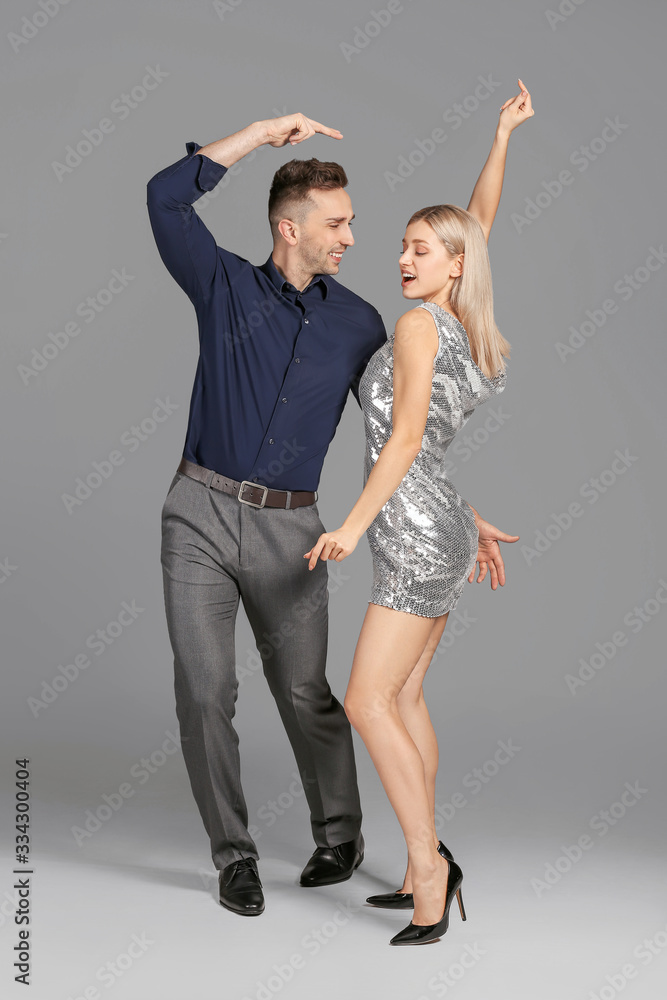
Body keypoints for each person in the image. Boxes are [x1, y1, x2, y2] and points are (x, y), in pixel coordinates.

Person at [146, 86, 530, 918]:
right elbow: (162, 196)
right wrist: (252, 134)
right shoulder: (222, 287)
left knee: (308, 692)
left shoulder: (362, 325)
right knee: (204, 691)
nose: (355, 237)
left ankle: (340, 834)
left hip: (294, 527)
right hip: (199, 516)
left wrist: (458, 513)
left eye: (359, 225)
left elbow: (408, 430)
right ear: (291, 227)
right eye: (338, 224)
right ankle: (234, 856)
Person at [304, 88, 534, 945]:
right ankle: (418, 863)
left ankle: (430, 869)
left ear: (450, 267)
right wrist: (501, 137)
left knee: (367, 701)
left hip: (408, 524)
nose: (402, 259)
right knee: (401, 696)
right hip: (445, 521)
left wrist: (356, 525)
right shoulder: (465, 328)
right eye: (399, 246)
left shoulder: (413, 327)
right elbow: (478, 221)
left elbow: (401, 442)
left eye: (418, 249)